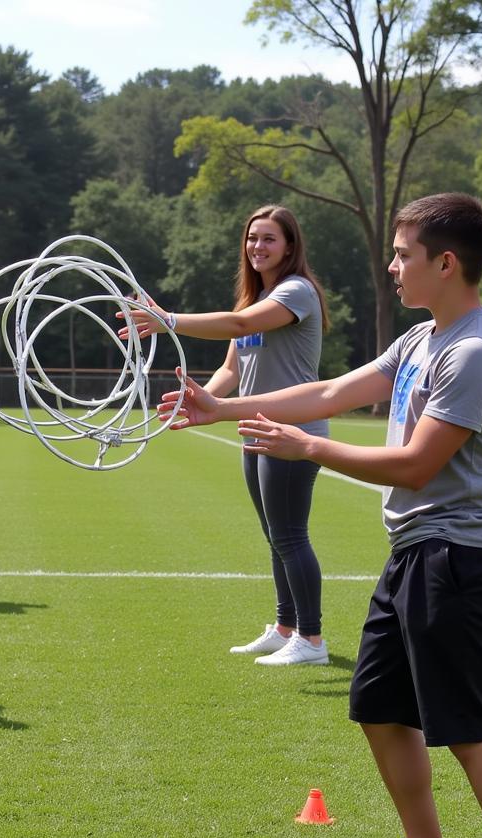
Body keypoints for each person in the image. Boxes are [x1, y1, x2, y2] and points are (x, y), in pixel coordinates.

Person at [158, 192, 482, 838]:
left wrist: (311, 447)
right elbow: (330, 390)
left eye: (403, 253)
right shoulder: (420, 341)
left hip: (460, 558)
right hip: (416, 552)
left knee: (470, 726)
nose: (391, 266)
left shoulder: (474, 353)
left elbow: (415, 466)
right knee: (380, 709)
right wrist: (218, 410)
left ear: (446, 263)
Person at [122, 205, 330, 666]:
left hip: (290, 431)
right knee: (274, 533)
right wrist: (197, 399)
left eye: (269, 238)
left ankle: (312, 640)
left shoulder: (296, 292)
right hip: (254, 429)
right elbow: (232, 368)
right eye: (253, 238)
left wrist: (168, 320)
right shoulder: (254, 300)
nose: (258, 246)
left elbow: (236, 328)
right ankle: (285, 628)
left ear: (290, 247)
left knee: (291, 535)